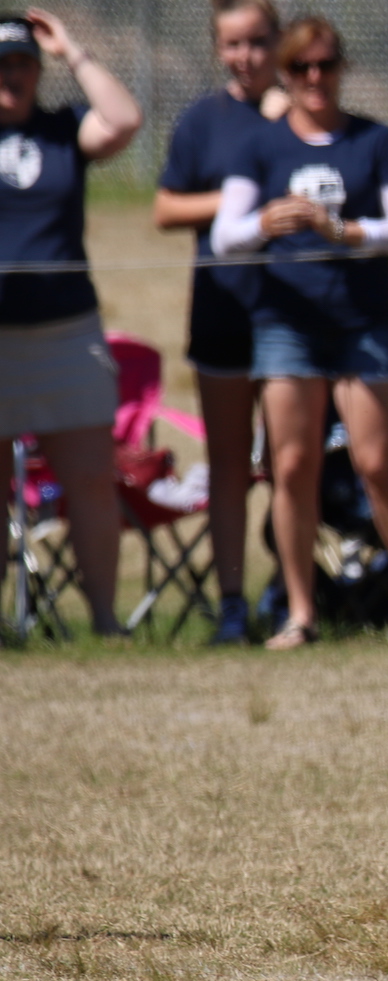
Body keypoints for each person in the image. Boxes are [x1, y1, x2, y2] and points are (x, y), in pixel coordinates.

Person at [212, 15, 388, 651]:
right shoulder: (260, 145)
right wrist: (264, 221)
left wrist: (345, 232)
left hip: (362, 321)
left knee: (375, 462)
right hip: (286, 325)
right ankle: (299, 612)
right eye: (301, 68)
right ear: (285, 73)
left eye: (326, 65)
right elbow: (226, 237)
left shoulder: (374, 140)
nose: (315, 79)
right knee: (291, 465)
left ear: (341, 69)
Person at [0, 8, 142, 638]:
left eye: (23, 63)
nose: (13, 75)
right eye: (1, 65)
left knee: (88, 480)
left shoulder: (63, 131)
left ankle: (107, 622)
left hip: (67, 334)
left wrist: (72, 52)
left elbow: (124, 122)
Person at [153, 0, 286, 646]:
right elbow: (165, 207)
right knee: (230, 465)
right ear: (218, 49)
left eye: (259, 42)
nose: (248, 56)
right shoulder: (203, 121)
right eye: (234, 44)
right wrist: (242, 202)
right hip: (224, 309)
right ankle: (232, 601)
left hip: (298, 313)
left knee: (293, 463)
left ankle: (292, 593)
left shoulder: (302, 110)